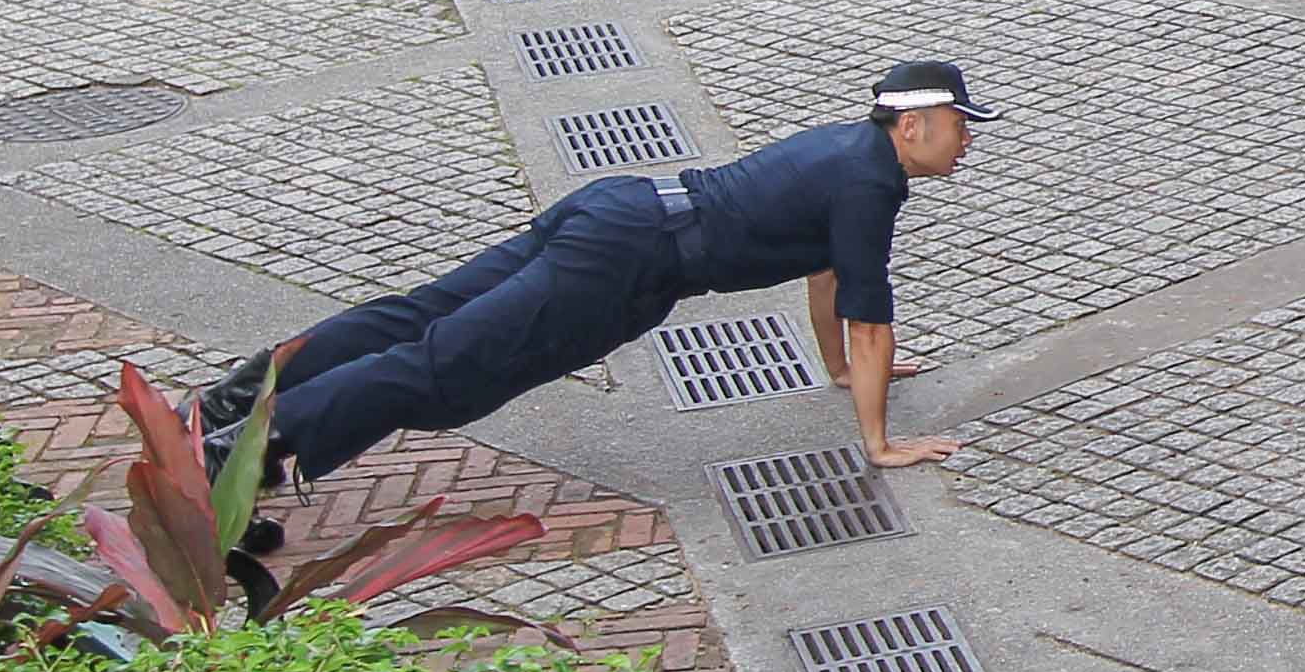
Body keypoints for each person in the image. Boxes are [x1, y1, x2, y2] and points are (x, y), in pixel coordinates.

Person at [240, 62, 989, 485]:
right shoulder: (869, 184)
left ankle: (242, 397)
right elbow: (869, 321)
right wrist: (879, 444)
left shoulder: (849, 149)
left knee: (423, 314)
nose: (966, 142)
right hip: (624, 259)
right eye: (960, 125)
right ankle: (242, 454)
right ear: (913, 125)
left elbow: (827, 278)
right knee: (445, 365)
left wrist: (838, 372)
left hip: (621, 207)